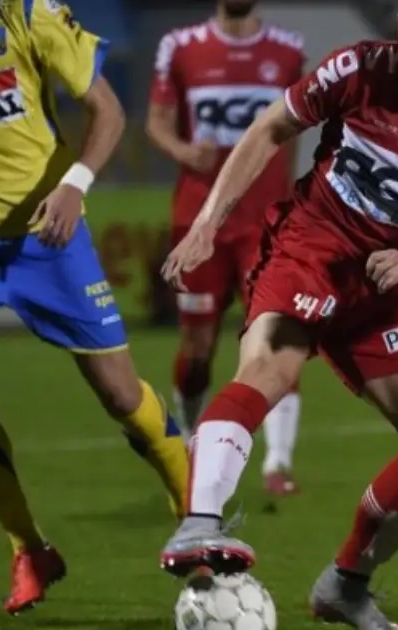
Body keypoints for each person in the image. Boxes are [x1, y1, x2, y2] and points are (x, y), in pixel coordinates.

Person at [158, 0, 398, 627]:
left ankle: (346, 586)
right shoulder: (358, 69)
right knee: (268, 369)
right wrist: (207, 225)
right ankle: (199, 523)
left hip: (387, 280)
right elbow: (269, 129)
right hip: (311, 249)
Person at [0, 0, 189, 615]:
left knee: (120, 394)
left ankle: (195, 517)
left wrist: (73, 185)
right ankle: (29, 549)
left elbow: (108, 110)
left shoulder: (21, 12)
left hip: (47, 236)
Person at [147, 0, 308, 497]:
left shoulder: (288, 50)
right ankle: (187, 442)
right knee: (198, 348)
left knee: (276, 338)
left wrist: (291, 199)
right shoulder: (180, 46)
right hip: (201, 223)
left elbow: (293, 132)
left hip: (265, 225)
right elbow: (157, 120)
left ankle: (278, 464)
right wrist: (182, 150)